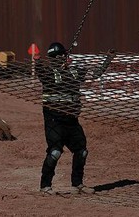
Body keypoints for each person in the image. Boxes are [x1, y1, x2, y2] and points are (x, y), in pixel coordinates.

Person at [36, 41, 93, 195]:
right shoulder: (48, 74)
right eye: (62, 56)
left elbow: (96, 74)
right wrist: (36, 60)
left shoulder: (73, 73)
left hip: (72, 120)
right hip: (54, 121)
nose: (66, 59)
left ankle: (77, 184)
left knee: (81, 151)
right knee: (55, 152)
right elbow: (39, 70)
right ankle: (45, 186)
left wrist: (108, 58)